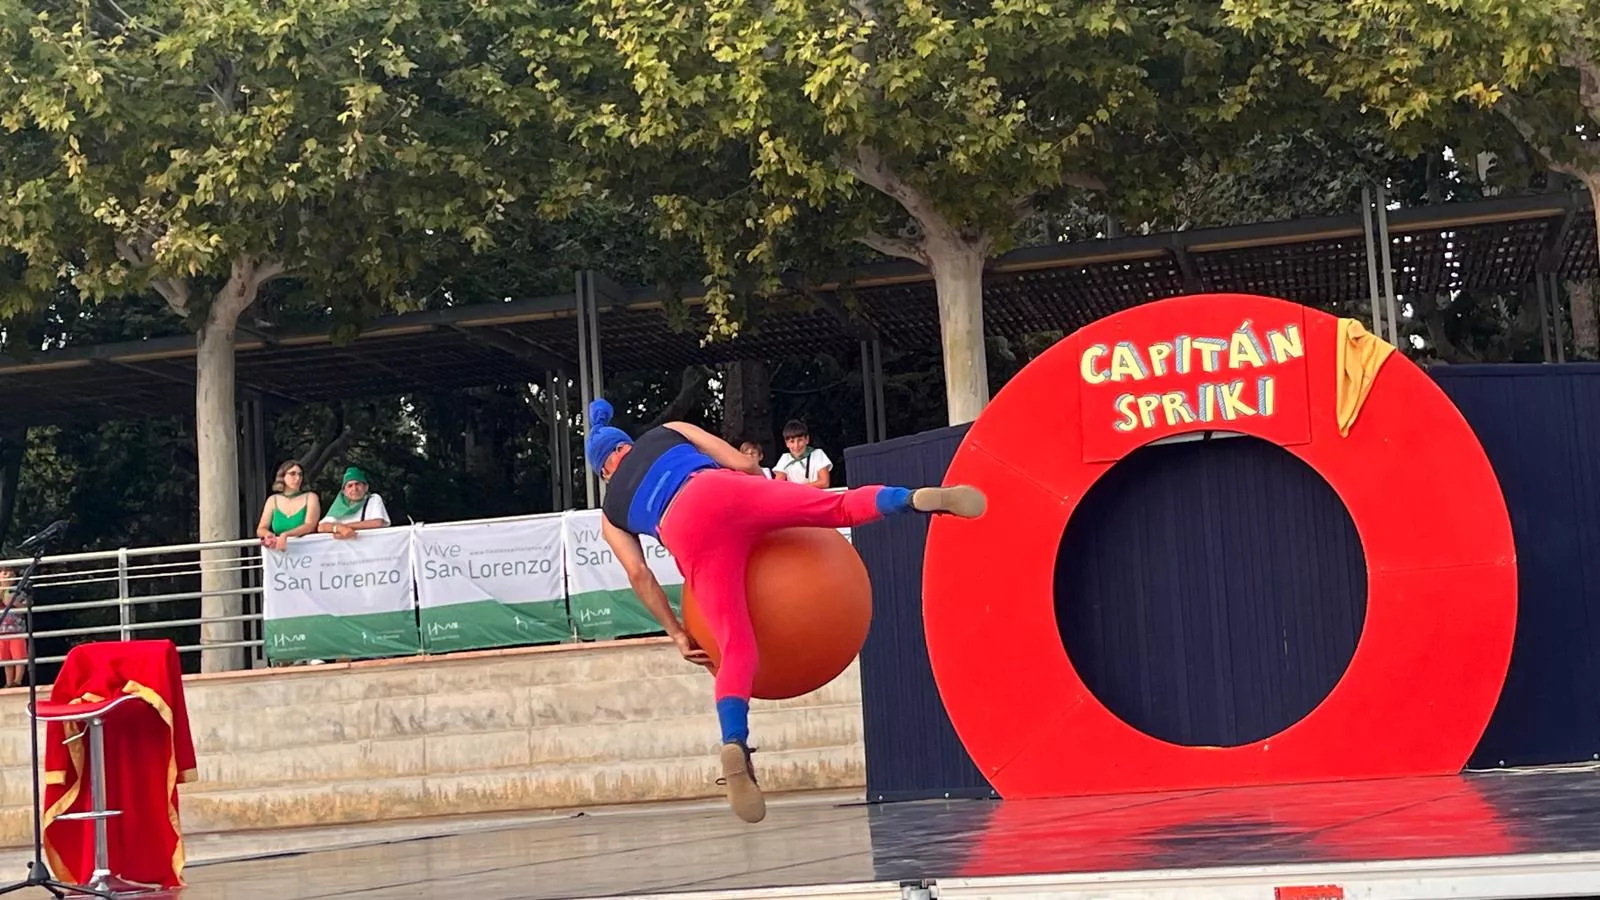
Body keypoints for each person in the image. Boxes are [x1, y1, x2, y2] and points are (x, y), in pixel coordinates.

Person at [585, 399, 985, 823]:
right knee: (835, 508)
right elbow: (741, 464)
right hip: (723, 488)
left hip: (686, 528)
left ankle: (735, 743)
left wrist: (678, 633)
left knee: (736, 647)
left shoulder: (611, 515)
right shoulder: (670, 429)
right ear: (625, 444)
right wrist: (763, 495)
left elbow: (639, 575)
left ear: (605, 470)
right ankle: (912, 500)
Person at [772, 419, 831, 488]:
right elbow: (778, 485)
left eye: (800, 440)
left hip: (816, 496)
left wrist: (798, 489)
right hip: (796, 497)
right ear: (786, 443)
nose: (796, 446)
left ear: (807, 439)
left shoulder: (817, 454)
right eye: (792, 441)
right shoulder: (785, 458)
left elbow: (824, 482)